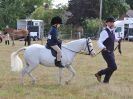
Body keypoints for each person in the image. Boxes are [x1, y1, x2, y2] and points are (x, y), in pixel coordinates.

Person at [95, 16, 121, 83]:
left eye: (113, 22)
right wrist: (103, 47)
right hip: (106, 52)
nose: (112, 24)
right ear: (107, 23)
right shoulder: (104, 32)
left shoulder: (112, 31)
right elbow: (99, 41)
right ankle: (99, 73)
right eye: (110, 22)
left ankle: (105, 82)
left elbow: (113, 39)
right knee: (114, 67)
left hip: (111, 52)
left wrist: (118, 39)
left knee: (110, 67)